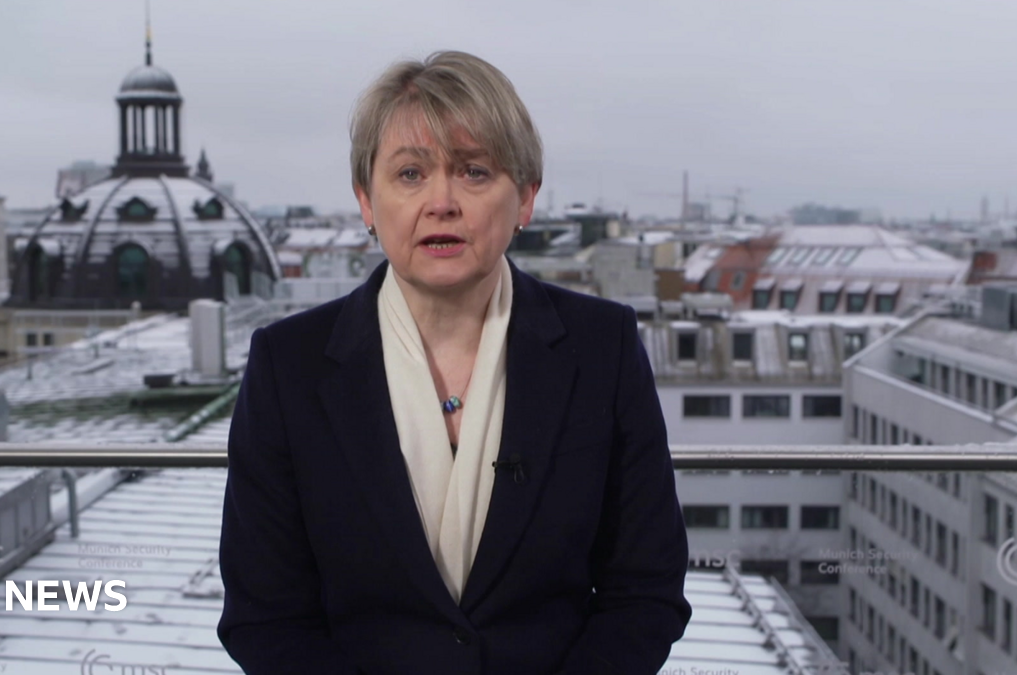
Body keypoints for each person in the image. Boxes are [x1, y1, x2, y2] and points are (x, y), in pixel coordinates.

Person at [217, 50, 691, 675]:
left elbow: (645, 590)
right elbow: (266, 617)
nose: (441, 202)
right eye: (410, 174)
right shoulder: (288, 365)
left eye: (473, 171)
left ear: (525, 198)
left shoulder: (602, 346)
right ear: (366, 200)